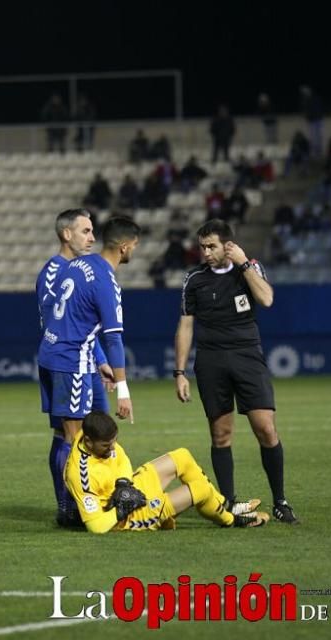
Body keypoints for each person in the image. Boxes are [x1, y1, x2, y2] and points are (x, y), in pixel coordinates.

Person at [173, 219, 300, 525]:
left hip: (247, 356)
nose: (205, 252)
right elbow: (186, 325)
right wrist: (179, 371)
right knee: (221, 434)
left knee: (266, 428)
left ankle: (280, 501)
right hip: (211, 360)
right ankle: (229, 503)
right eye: (202, 246)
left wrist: (244, 264)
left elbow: (267, 299)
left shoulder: (249, 268)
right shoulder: (194, 279)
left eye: (211, 246)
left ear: (228, 246)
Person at [36, 209, 115, 526]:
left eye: (93, 230)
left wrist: (100, 359)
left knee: (100, 429)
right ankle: (68, 505)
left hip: (84, 360)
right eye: (85, 231)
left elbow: (82, 324)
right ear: (66, 234)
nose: (92, 238)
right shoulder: (54, 273)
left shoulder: (79, 270)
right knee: (68, 434)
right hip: (65, 362)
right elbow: (56, 326)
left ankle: (96, 498)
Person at [38, 214, 142, 455]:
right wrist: (124, 392)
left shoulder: (74, 265)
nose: (133, 252)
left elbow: (63, 317)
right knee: (75, 440)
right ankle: (73, 495)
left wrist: (99, 360)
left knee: (68, 433)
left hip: (50, 355)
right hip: (72, 362)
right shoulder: (105, 282)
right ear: (124, 247)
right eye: (134, 247)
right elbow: (114, 338)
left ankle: (69, 494)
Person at [64, 411, 268, 533]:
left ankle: (223, 505)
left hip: (129, 490)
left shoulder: (92, 434)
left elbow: (122, 458)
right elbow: (95, 526)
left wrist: (124, 484)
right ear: (89, 442)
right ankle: (233, 520)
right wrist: (120, 510)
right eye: (106, 446)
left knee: (182, 456)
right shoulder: (80, 473)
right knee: (200, 489)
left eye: (114, 442)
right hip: (126, 517)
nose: (111, 449)